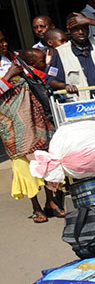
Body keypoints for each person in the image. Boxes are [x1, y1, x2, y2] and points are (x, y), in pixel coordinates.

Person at [0, 30, 63, 223]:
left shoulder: (15, 57)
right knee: (23, 165)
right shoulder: (11, 65)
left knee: (44, 155)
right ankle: (35, 206)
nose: (3, 44)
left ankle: (50, 201)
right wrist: (10, 74)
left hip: (34, 116)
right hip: (11, 122)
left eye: (4, 40)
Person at [46, 12, 95, 100]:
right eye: (76, 29)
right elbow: (51, 80)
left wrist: (89, 21)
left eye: (84, 27)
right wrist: (65, 86)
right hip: (83, 106)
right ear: (69, 30)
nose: (81, 32)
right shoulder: (61, 52)